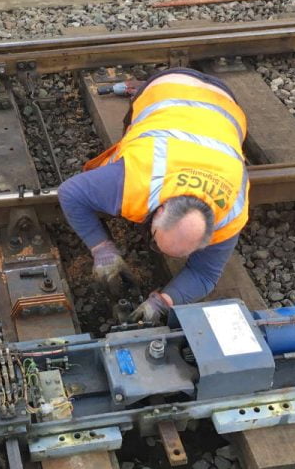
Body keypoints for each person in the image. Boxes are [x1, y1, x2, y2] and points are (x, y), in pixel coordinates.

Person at [58, 68, 248, 323]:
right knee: (133, 136)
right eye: (157, 241)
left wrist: (162, 302)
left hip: (224, 102)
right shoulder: (138, 178)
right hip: (166, 87)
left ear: (209, 237)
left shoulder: (230, 216)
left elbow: (205, 275)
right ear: (159, 210)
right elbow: (70, 193)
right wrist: (102, 249)